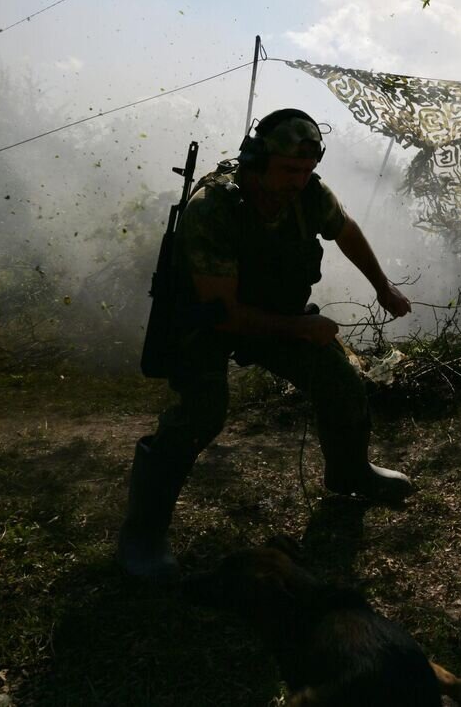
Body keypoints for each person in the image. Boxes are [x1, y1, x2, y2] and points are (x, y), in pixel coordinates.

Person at [117, 108, 412, 581]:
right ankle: (142, 533)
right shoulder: (214, 208)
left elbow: (345, 228)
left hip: (272, 312)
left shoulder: (308, 194)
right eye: (289, 170)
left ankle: (350, 473)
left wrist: (382, 285)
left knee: (337, 377)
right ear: (257, 160)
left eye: (307, 170)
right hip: (205, 322)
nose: (299, 180)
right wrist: (299, 329)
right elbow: (226, 314)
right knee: (201, 412)